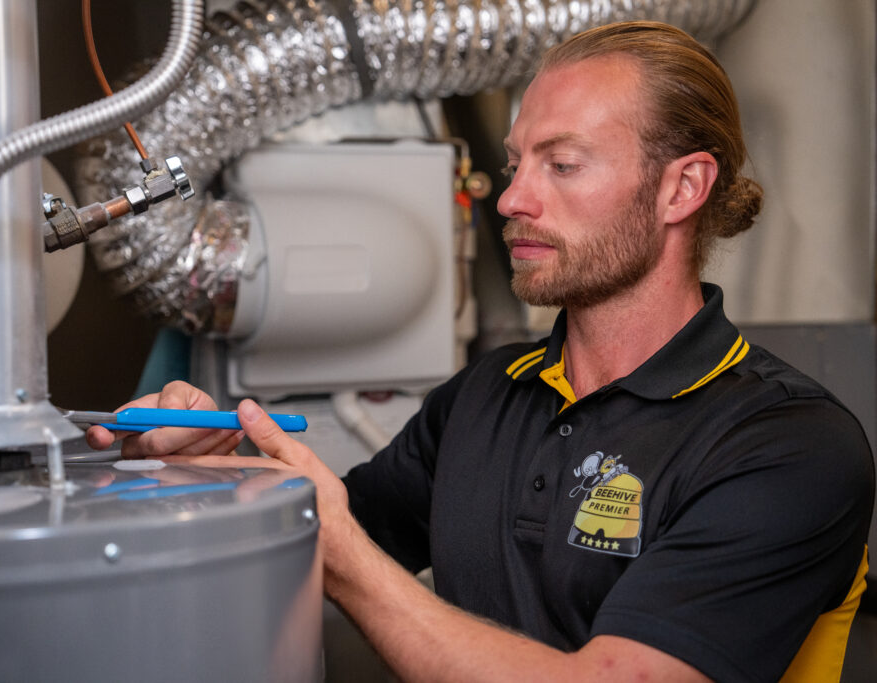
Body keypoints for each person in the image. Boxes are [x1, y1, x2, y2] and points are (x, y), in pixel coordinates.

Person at [87, 21, 874, 682]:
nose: (512, 198)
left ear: (682, 188)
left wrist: (349, 561)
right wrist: (209, 456)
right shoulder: (487, 395)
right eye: (516, 163)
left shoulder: (790, 444)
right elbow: (322, 532)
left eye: (561, 165)